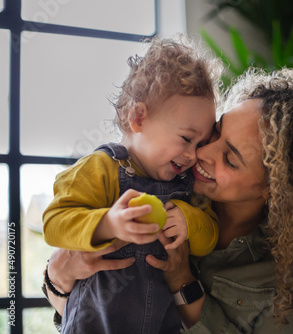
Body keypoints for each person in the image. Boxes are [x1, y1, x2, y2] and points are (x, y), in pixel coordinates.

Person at [44, 67, 293, 334]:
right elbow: (95, 308)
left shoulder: (290, 280)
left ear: (274, 189)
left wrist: (181, 280)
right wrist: (58, 278)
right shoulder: (162, 176)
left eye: (230, 159)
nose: (200, 153)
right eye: (215, 133)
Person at [42, 37, 222, 333]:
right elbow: (54, 223)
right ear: (138, 118)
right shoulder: (100, 168)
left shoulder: (188, 184)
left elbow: (211, 234)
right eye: (186, 139)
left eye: (201, 143)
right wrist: (107, 224)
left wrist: (191, 221)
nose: (193, 155)